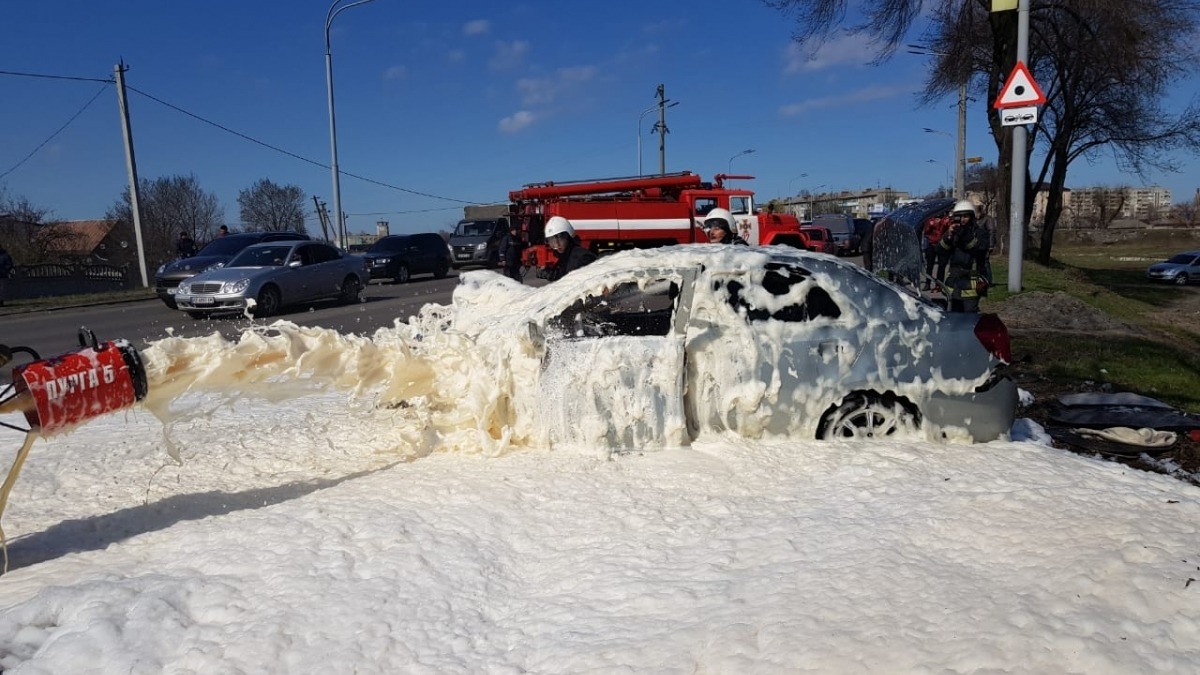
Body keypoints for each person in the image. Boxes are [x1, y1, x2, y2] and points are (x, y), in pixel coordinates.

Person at [938, 200, 985, 312]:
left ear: (972, 217)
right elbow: (941, 251)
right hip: (954, 283)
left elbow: (977, 249)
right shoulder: (953, 233)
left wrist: (964, 234)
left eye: (966, 216)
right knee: (954, 317)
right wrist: (948, 236)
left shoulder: (979, 232)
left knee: (969, 317)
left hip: (970, 283)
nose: (962, 220)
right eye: (959, 217)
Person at [541, 216, 596, 281]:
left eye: (560, 239)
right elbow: (563, 276)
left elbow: (574, 282)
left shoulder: (582, 258)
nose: (557, 245)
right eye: (552, 241)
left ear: (568, 238)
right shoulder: (565, 257)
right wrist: (551, 274)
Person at [920, 213, 950, 290]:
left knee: (941, 266)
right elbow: (926, 232)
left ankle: (939, 285)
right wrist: (930, 225)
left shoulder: (946, 219)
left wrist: (944, 223)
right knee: (929, 265)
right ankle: (927, 283)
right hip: (931, 244)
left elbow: (948, 231)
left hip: (942, 245)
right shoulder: (930, 219)